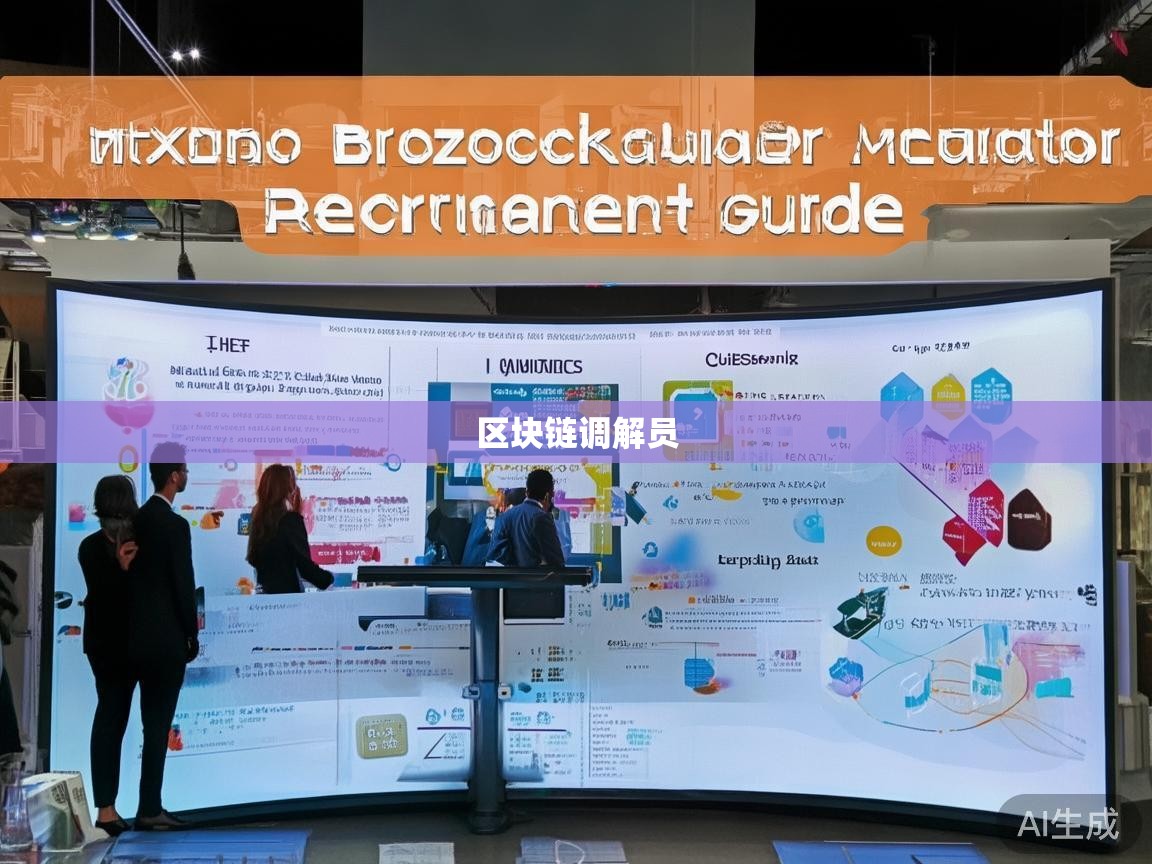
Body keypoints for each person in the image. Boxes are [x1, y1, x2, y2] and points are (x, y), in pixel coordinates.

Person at [129, 442, 199, 830]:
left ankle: (138, 806)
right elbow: (182, 584)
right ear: (173, 476)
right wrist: (191, 633)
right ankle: (150, 807)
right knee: (158, 725)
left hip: (133, 638)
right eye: (184, 470)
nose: (187, 475)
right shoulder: (175, 526)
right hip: (167, 639)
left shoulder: (136, 521)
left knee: (144, 724)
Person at [77, 475, 140, 836]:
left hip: (103, 644)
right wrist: (124, 567)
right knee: (111, 719)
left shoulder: (89, 546)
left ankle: (107, 807)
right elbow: (111, 593)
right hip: (118, 644)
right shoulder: (102, 548)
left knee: (110, 719)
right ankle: (106, 809)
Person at [246, 464, 333, 594]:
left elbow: (253, 558)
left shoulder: (257, 519)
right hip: (289, 598)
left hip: (264, 597)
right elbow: (305, 568)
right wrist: (329, 579)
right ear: (288, 489)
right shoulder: (291, 520)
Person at [486, 470, 565, 568]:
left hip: (509, 577)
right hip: (535, 577)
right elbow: (556, 561)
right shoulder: (542, 518)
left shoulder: (504, 517)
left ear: (527, 492)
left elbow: (494, 557)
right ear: (548, 495)